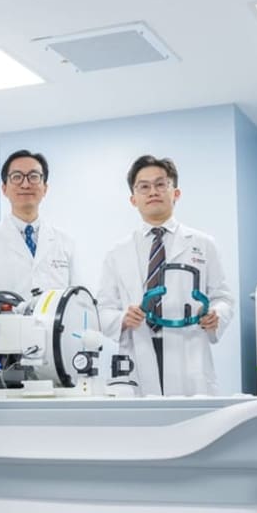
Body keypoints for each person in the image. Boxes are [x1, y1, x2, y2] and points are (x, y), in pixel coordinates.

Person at [97, 155, 235, 396]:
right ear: (133, 199)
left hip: (189, 351)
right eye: (144, 186)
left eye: (161, 184)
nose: (153, 192)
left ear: (176, 193)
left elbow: (223, 297)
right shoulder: (116, 253)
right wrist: (123, 318)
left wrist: (216, 315)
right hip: (137, 350)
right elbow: (103, 309)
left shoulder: (203, 244)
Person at [0, 149, 77, 299]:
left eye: (34, 177)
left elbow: (79, 300)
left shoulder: (66, 244)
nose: (25, 184)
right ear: (4, 189)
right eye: (17, 177)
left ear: (45, 188)